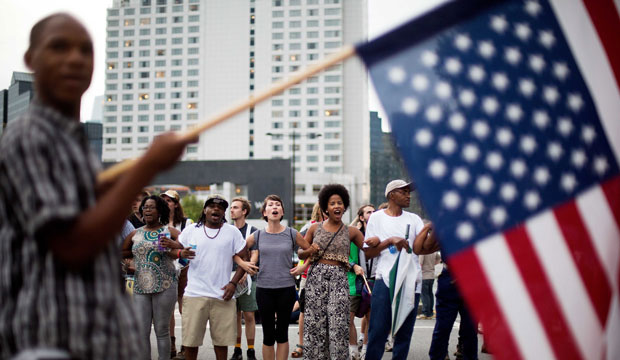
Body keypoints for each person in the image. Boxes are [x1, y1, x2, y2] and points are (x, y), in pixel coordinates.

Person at [0, 13, 192, 359]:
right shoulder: (30, 137)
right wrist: (147, 165)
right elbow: (73, 242)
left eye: (85, 50)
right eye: (59, 47)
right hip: (48, 335)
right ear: (31, 59)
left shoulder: (72, 143)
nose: (75, 58)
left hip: (91, 335)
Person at [363, 180, 438, 360]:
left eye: (409, 192)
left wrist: (432, 226)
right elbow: (369, 254)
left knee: (403, 336)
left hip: (411, 282)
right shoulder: (377, 217)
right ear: (391, 195)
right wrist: (389, 241)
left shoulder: (414, 219)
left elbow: (422, 247)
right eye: (403, 192)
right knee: (377, 332)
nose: (408, 195)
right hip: (385, 281)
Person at [235, 195, 316, 360]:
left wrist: (302, 267)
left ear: (282, 212)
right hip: (264, 289)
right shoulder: (257, 236)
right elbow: (235, 252)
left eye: (278, 205)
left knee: (282, 333)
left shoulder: (292, 234)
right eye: (270, 205)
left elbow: (312, 251)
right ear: (265, 212)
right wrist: (243, 265)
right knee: (268, 335)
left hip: (286, 289)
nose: (275, 207)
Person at [172, 195, 248, 360]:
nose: (216, 209)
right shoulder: (192, 230)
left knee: (221, 344)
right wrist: (180, 253)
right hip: (194, 294)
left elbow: (245, 259)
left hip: (223, 295)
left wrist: (233, 283)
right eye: (212, 206)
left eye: (220, 207)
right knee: (190, 343)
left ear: (223, 213)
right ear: (204, 210)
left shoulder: (232, 232)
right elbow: (177, 252)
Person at [302, 184, 366, 360]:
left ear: (344, 206)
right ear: (326, 208)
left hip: (339, 278)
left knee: (338, 323)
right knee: (315, 323)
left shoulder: (351, 231)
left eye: (340, 203)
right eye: (332, 203)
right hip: (316, 277)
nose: (336, 206)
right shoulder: (314, 228)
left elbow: (369, 249)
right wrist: (309, 250)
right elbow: (301, 252)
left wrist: (385, 241)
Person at [122, 195, 181, 360]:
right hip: (141, 286)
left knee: (162, 330)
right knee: (142, 330)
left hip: (166, 284)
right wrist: (128, 263)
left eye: (151, 207)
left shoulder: (170, 231)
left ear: (160, 210)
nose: (147, 210)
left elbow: (185, 249)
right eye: (145, 207)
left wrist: (176, 245)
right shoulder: (135, 233)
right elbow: (123, 251)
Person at [160, 189, 193, 358]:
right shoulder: (158, 222)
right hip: (164, 267)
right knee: (167, 310)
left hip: (184, 268)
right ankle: (171, 344)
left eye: (170, 200)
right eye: (163, 199)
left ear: (175, 204)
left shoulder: (187, 223)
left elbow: (191, 246)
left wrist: (174, 240)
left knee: (184, 308)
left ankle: (186, 344)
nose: (166, 202)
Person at [290, 202, 325, 358]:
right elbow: (302, 252)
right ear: (319, 210)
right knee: (304, 310)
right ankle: (301, 344)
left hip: (329, 275)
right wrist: (302, 267)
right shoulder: (308, 227)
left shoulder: (338, 228)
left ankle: (322, 344)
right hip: (308, 275)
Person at [229, 197, 259, 360]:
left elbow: (255, 253)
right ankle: (237, 349)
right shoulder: (227, 230)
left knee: (249, 316)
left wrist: (246, 270)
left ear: (244, 211)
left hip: (248, 279)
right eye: (231, 208)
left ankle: (251, 350)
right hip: (230, 277)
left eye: (235, 207)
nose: (231, 210)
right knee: (234, 316)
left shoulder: (252, 231)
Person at [350, 204, 375, 359]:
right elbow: (344, 256)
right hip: (355, 280)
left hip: (374, 279)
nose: (372, 214)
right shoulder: (354, 235)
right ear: (361, 217)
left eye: (374, 212)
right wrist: (354, 265)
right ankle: (353, 350)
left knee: (370, 317)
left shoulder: (381, 235)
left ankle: (366, 348)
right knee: (349, 317)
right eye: (368, 212)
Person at [418, 251, 441, 320]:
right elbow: (439, 259)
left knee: (424, 295)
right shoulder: (433, 250)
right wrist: (433, 264)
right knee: (430, 294)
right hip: (431, 275)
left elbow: (420, 264)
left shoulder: (423, 252)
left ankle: (425, 313)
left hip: (424, 275)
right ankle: (430, 312)